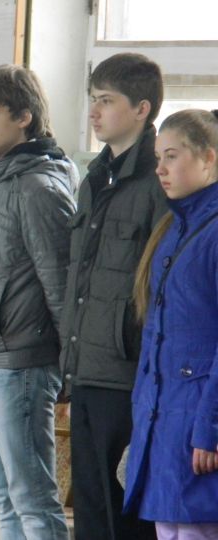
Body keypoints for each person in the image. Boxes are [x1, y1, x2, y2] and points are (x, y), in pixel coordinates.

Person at [0, 64, 75, 540]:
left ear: (24, 117)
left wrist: (69, 369)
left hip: (20, 365)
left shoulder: (39, 186)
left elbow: (60, 284)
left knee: (32, 501)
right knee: (3, 500)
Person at [60, 52, 166, 540]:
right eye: (93, 99)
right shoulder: (93, 178)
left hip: (126, 375)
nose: (94, 111)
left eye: (106, 101)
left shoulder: (158, 182)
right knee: (90, 512)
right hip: (85, 369)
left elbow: (159, 287)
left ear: (141, 109)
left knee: (122, 513)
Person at [126, 108, 218, 540]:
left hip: (197, 422)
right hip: (164, 421)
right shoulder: (171, 229)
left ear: (209, 157)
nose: (160, 169)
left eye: (172, 156)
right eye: (158, 157)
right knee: (170, 530)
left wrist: (210, 429)